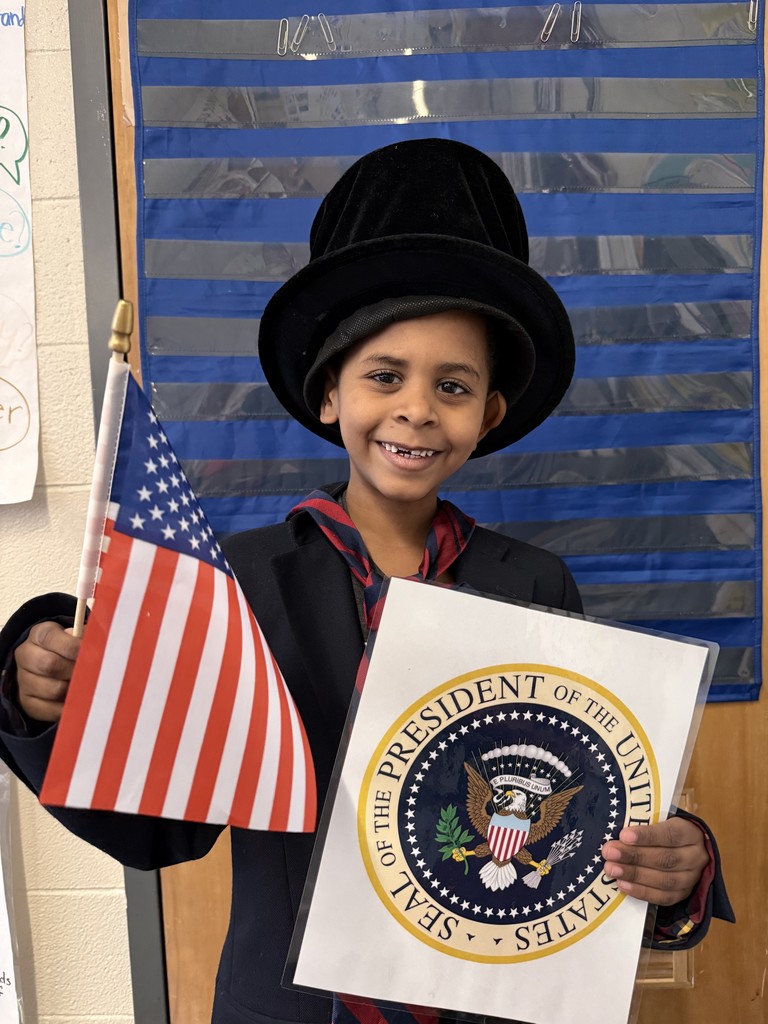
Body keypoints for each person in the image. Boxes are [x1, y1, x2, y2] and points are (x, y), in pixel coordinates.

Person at [0, 139, 732, 1024]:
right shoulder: (241, 585)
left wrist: (678, 859)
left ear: (489, 413)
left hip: (483, 1002)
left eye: (453, 386)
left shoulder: (536, 586)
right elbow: (162, 828)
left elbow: (582, 816)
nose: (417, 408)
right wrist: (46, 706)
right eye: (383, 376)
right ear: (328, 395)